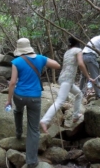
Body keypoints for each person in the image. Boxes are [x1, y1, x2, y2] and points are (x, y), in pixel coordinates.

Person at [6, 38, 60, 168]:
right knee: (33, 130)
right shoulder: (40, 58)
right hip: (35, 98)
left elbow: (13, 82)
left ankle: (18, 133)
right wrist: (42, 65)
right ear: (29, 47)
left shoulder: (16, 61)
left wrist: (8, 100)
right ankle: (31, 161)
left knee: (18, 110)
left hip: (19, 96)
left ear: (19, 49)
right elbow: (57, 65)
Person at [40, 36, 95, 133]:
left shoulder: (67, 52)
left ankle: (75, 115)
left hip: (63, 79)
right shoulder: (78, 50)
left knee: (79, 94)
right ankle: (45, 120)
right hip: (67, 79)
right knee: (60, 101)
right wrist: (88, 76)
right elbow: (81, 64)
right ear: (78, 43)